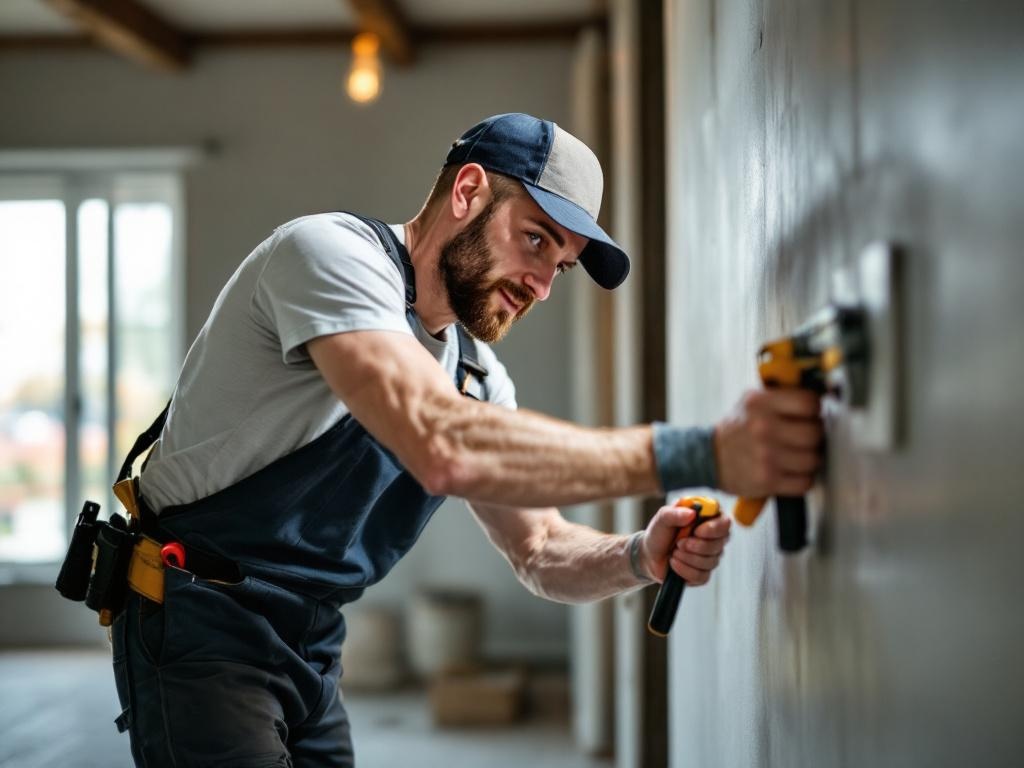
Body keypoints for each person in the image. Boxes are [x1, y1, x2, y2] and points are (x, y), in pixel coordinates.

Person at [110, 113, 822, 767]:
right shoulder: (330, 255)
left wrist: (640, 555)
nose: (542, 285)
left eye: (561, 265)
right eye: (536, 239)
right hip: (196, 621)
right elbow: (439, 440)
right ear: (468, 192)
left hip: (311, 643)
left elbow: (540, 550)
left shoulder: (476, 376)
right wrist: (705, 454)